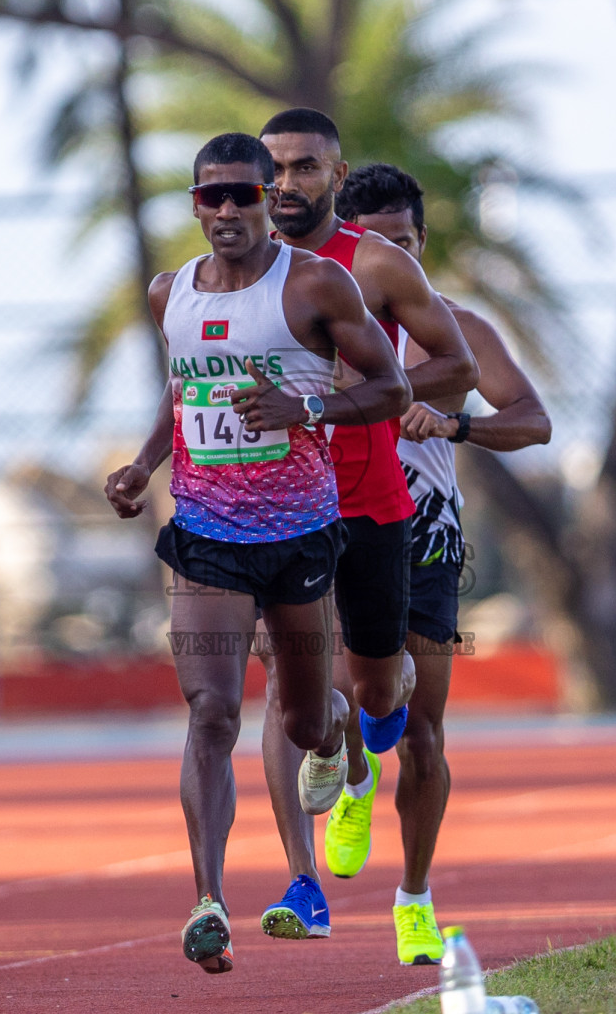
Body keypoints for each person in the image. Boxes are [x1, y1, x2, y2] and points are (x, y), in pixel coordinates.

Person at [103, 133, 409, 974]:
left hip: (302, 535)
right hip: (205, 534)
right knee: (212, 711)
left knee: (304, 719)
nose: (230, 210)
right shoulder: (171, 293)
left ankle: (341, 730)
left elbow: (393, 388)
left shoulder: (314, 283)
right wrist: (142, 466)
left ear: (268, 199)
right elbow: (183, 393)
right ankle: (209, 901)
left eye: (245, 194)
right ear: (195, 205)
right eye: (213, 198)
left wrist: (304, 411)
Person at [252, 108, 482, 944]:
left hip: (375, 502)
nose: (284, 183)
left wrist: (373, 403)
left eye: (304, 167)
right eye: (271, 168)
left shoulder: (376, 265)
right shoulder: (227, 274)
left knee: (391, 710)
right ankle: (302, 886)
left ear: (334, 175)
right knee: (287, 692)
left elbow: (459, 365)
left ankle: (366, 756)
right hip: (273, 507)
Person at [328, 162, 552, 965]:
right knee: (345, 696)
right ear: (348, 250)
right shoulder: (311, 325)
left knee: (423, 730)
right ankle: (352, 775)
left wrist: (455, 429)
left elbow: (533, 421)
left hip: (425, 534)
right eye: (379, 246)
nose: (397, 261)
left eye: (409, 245)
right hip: (331, 522)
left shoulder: (457, 329)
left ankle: (413, 898)